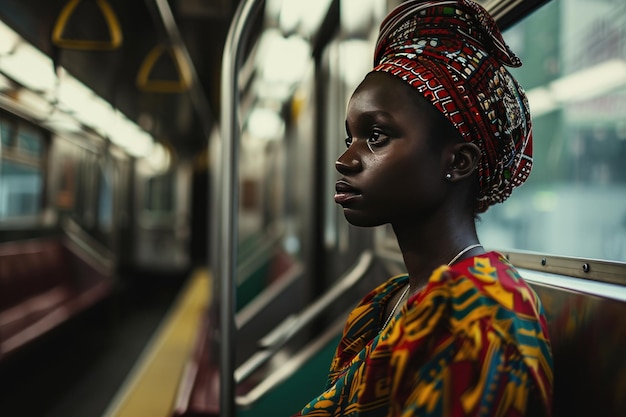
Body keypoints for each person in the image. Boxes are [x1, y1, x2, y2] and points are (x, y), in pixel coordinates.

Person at [293, 0, 553, 416]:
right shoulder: (384, 303)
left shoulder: (486, 317)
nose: (345, 161)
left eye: (376, 137)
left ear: (458, 162)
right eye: (350, 139)